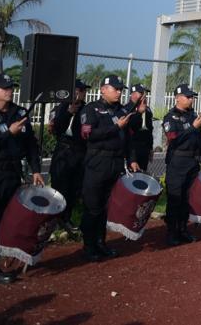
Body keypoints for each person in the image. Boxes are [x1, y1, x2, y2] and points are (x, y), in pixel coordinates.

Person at [0, 73, 43, 290]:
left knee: (2, 225)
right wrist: (7, 131)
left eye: (10, 87)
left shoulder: (19, 113)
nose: (8, 90)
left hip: (12, 175)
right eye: (3, 87)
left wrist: (36, 169)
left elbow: (31, 145)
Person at [79, 75, 139, 262]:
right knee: (92, 206)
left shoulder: (120, 110)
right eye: (116, 88)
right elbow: (87, 135)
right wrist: (115, 127)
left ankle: (100, 242)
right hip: (97, 162)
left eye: (121, 89)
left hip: (115, 162)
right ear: (103, 89)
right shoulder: (91, 109)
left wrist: (132, 159)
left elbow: (128, 138)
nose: (119, 92)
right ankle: (89, 246)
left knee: (105, 207)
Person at [162, 84, 201, 245]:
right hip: (177, 162)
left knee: (187, 198)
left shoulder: (193, 116)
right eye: (187, 96)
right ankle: (172, 232)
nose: (191, 99)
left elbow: (200, 141)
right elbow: (174, 139)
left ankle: (183, 229)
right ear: (177, 97)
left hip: (192, 162)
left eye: (192, 97)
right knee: (175, 199)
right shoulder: (170, 117)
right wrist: (192, 128)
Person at [48, 78, 90, 232]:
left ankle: (66, 219)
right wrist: (68, 113)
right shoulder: (61, 107)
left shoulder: (87, 109)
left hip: (79, 152)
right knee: (59, 186)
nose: (82, 94)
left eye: (84, 91)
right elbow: (56, 128)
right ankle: (53, 220)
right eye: (79, 90)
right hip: (63, 151)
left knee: (74, 188)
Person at [127, 84, 154, 172]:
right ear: (133, 94)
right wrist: (139, 113)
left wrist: (150, 148)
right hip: (132, 148)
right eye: (141, 93)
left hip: (144, 148)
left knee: (142, 174)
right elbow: (129, 126)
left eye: (145, 93)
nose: (144, 95)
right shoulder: (127, 109)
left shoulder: (148, 110)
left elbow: (150, 130)